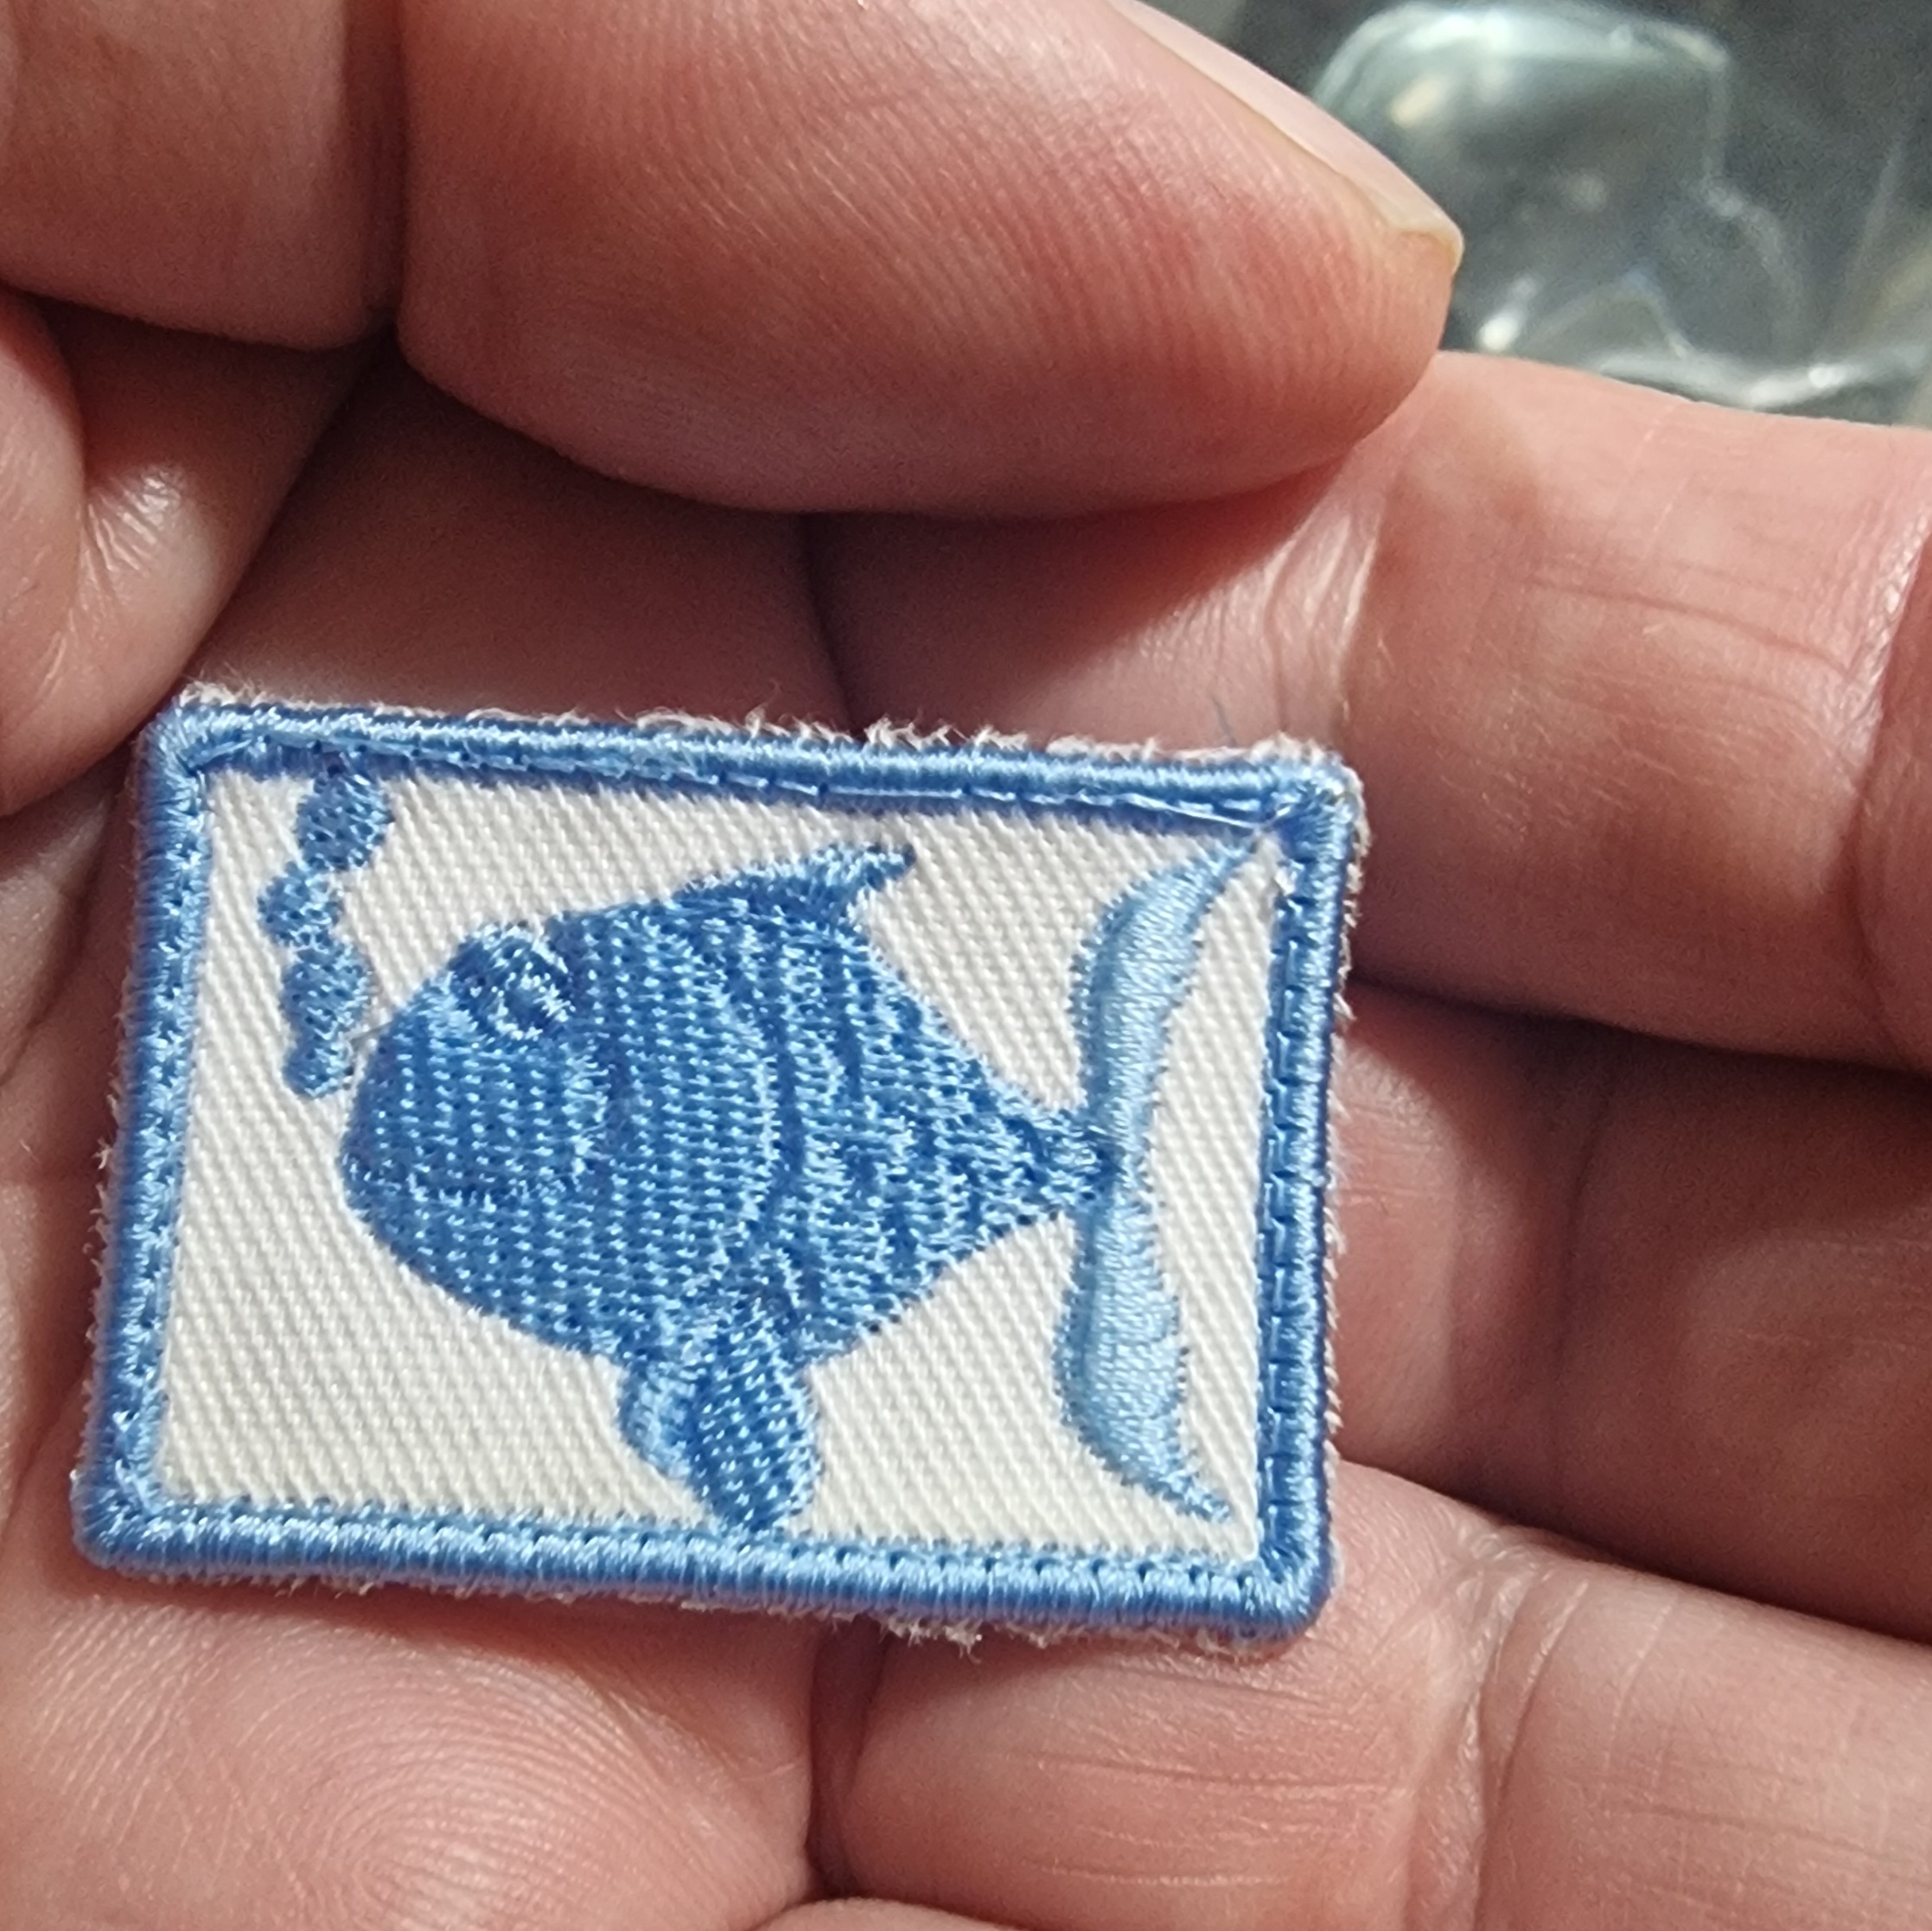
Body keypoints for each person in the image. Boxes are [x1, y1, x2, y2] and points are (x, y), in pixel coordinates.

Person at [1, 2, 1928, 1923]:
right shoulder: (454, 1114)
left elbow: (711, 1219)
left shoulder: (517, 1056)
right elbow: (711, 1329)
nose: (510, 1031)